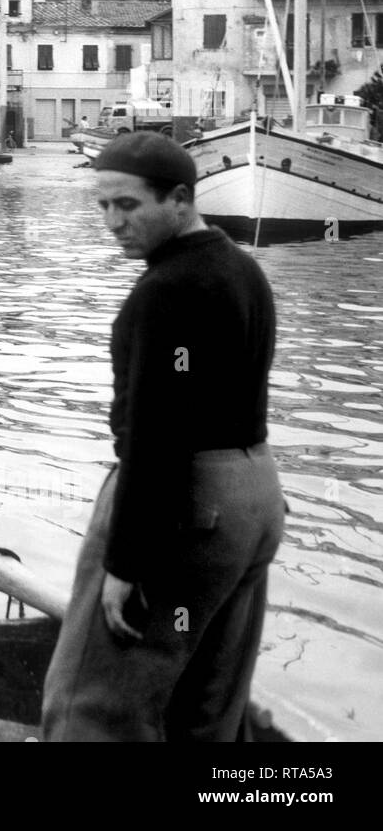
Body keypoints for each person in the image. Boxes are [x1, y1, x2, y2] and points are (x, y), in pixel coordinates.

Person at [42, 131, 285, 742]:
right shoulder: (241, 268)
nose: (112, 222)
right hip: (254, 499)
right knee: (209, 712)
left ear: (180, 199)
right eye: (101, 205)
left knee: (89, 709)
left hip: (188, 504)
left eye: (127, 206)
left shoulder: (165, 293)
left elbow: (157, 434)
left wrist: (126, 562)